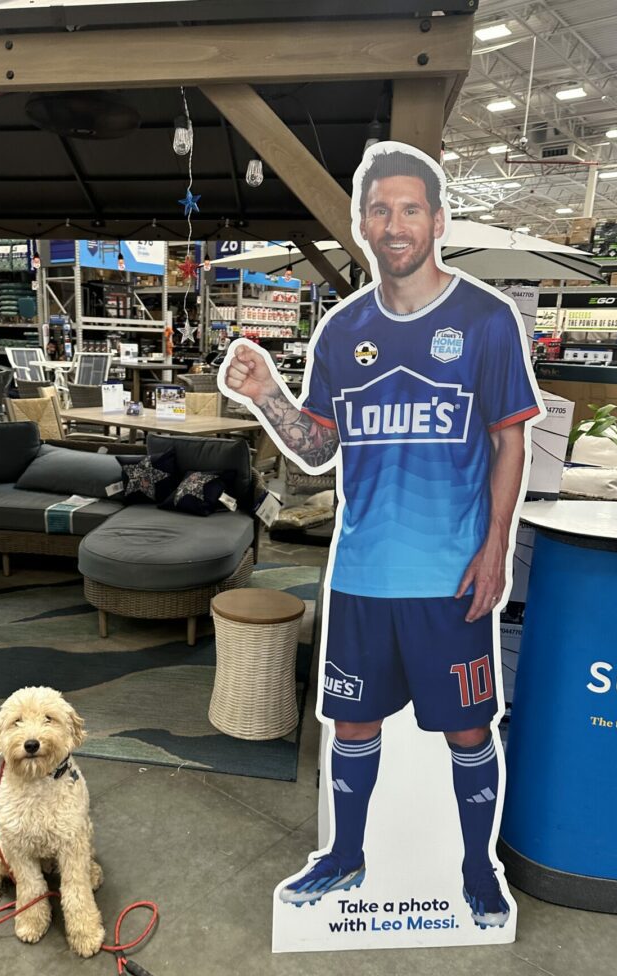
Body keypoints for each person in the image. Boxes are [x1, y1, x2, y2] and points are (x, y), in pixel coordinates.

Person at [222, 146, 542, 928]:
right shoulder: (342, 331)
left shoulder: (485, 321)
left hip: (449, 577)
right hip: (362, 575)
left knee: (468, 727)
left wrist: (496, 547)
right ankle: (345, 855)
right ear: (363, 225)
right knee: (352, 723)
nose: (394, 224)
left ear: (437, 219)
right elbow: (320, 446)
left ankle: (477, 868)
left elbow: (509, 441)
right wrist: (267, 395)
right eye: (380, 210)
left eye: (409, 208)